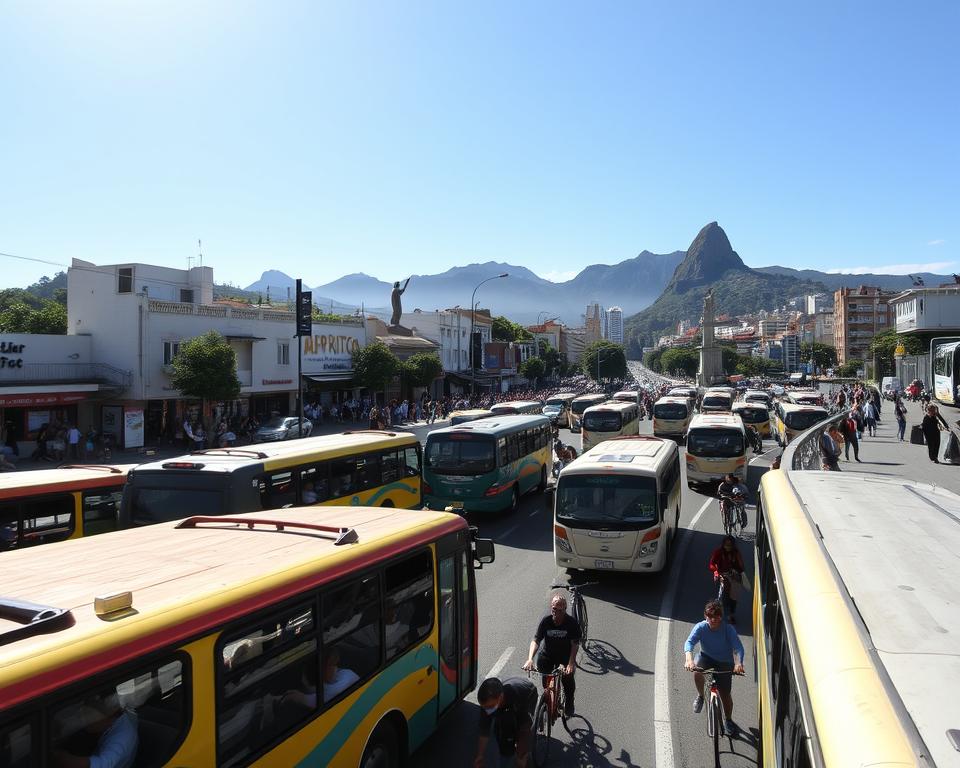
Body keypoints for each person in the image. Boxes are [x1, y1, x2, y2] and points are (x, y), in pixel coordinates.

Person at [684, 599, 746, 738]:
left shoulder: (728, 629)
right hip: (706, 657)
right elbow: (689, 642)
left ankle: (728, 720)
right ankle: (701, 696)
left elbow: (738, 648)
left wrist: (738, 663)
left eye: (716, 617)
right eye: (710, 616)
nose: (713, 620)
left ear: (721, 617)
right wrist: (689, 660)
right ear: (705, 616)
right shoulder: (701, 627)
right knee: (697, 671)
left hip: (725, 662)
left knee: (725, 695)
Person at [522, 593, 580, 717]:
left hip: (565, 656)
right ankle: (548, 701)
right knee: (546, 682)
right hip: (547, 655)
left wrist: (570, 663)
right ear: (551, 607)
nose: (556, 612)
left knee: (568, 680)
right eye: (554, 609)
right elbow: (536, 640)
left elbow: (575, 644)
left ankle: (569, 701)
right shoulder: (546, 621)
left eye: (560, 610)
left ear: (565, 609)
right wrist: (530, 659)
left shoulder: (571, 623)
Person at [52, 692, 138, 768]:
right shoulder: (114, 717)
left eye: (90, 718)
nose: (84, 721)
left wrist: (58, 755)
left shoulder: (122, 739)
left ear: (110, 717)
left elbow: (101, 764)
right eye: (83, 714)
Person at [473, 676, 538, 768]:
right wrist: (480, 755)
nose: (487, 710)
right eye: (485, 707)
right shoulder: (487, 703)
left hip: (527, 697)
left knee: (521, 750)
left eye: (491, 706)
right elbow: (484, 731)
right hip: (507, 704)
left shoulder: (516, 695)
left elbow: (524, 723)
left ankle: (525, 759)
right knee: (504, 739)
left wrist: (521, 749)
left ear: (501, 697)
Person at [709, 536, 746, 624]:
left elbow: (741, 566)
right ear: (723, 545)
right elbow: (711, 564)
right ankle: (721, 614)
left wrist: (738, 571)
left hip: (734, 577)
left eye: (730, 545)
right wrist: (716, 572)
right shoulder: (718, 552)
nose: (728, 547)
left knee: (734, 598)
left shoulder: (736, 553)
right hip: (723, 576)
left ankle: (731, 614)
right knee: (723, 596)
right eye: (726, 545)